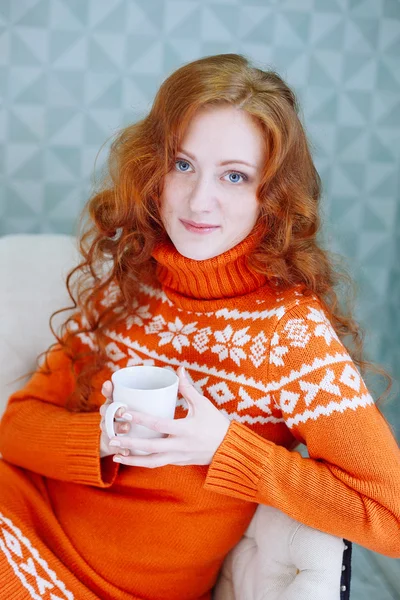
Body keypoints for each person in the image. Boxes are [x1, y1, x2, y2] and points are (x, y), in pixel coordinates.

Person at [0, 53, 399, 600]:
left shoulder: (288, 333)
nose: (198, 199)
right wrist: (103, 437)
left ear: (272, 198)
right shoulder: (131, 284)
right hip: (16, 513)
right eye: (182, 164)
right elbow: (16, 429)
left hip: (92, 585)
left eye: (234, 176)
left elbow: (392, 513)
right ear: (152, 168)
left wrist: (226, 448)